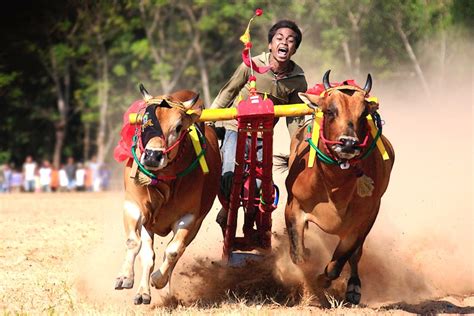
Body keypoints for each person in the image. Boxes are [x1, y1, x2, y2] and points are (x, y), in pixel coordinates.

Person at [209, 20, 307, 230]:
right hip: (235, 129)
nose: (284, 43)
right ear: (270, 44)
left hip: (264, 136)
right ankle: (226, 210)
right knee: (227, 174)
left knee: (262, 184)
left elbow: (296, 118)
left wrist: (299, 146)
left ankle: (253, 219)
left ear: (295, 49)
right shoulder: (251, 65)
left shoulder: (297, 80)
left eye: (290, 41)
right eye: (279, 39)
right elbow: (228, 91)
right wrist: (209, 120)